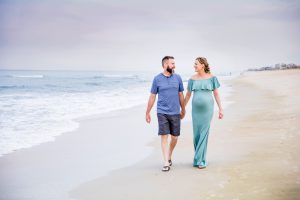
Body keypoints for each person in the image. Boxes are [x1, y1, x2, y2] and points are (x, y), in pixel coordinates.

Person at [146, 56, 186, 172]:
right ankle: (166, 162)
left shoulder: (178, 78)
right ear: (165, 65)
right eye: (172, 63)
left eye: (174, 63)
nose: (174, 66)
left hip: (175, 112)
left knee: (174, 137)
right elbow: (152, 96)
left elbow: (180, 95)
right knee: (164, 136)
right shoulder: (157, 79)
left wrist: (183, 109)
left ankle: (169, 155)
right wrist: (147, 112)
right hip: (162, 112)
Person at [184, 57, 223, 169]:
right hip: (195, 111)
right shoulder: (192, 79)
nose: (194, 66)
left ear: (202, 65)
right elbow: (187, 95)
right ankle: (198, 159)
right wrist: (183, 108)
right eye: (194, 64)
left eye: (196, 64)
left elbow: (216, 94)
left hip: (207, 110)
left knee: (204, 133)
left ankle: (201, 160)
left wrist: (220, 109)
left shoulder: (212, 78)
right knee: (196, 134)